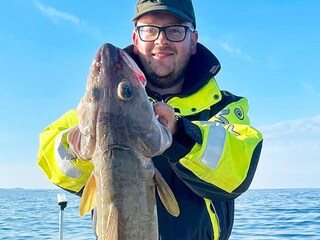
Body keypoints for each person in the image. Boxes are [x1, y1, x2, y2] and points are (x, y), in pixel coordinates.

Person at [37, 0, 263, 239]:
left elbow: (238, 171)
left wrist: (181, 134)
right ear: (136, 39)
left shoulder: (224, 106)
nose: (161, 40)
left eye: (175, 30)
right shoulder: (100, 105)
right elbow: (49, 154)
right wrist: (78, 148)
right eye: (149, 29)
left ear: (193, 40)